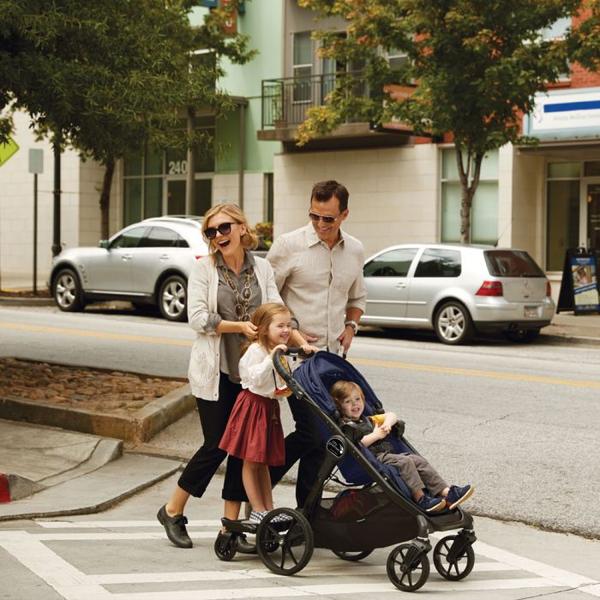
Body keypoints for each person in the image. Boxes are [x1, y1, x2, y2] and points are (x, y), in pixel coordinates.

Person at [156, 203, 284, 550]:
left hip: (251, 374)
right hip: (216, 371)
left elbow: (275, 309)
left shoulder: (262, 268)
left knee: (243, 449)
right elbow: (197, 318)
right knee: (215, 445)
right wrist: (237, 327)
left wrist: (294, 335)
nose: (218, 236)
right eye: (211, 231)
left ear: (242, 228)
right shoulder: (204, 269)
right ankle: (172, 510)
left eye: (224, 228)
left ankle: (230, 528)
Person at [267, 180, 368, 507]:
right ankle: (255, 484)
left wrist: (351, 326)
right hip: (295, 360)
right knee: (311, 432)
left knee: (324, 439)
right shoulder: (288, 245)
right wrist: (293, 331)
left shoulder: (355, 250)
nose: (320, 224)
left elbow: (357, 297)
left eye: (328, 218)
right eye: (314, 216)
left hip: (332, 362)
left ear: (344, 215)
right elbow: (267, 298)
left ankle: (306, 511)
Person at [219, 303, 317, 523]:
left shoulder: (279, 350)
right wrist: (271, 358)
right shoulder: (256, 350)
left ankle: (268, 508)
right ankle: (257, 509)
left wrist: (303, 353)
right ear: (264, 329)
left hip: (269, 408)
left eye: (289, 325)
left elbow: (282, 380)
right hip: (253, 407)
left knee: (263, 462)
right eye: (280, 326)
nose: (286, 330)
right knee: (251, 462)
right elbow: (252, 378)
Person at [330, 380, 474, 513]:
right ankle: (420, 498)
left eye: (357, 399)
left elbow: (391, 415)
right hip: (372, 459)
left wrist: (387, 423)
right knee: (405, 462)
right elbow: (355, 445)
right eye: (348, 401)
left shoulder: (369, 419)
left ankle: (447, 493)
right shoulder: (347, 427)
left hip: (388, 455)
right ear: (339, 406)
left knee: (417, 460)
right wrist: (376, 435)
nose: (355, 404)